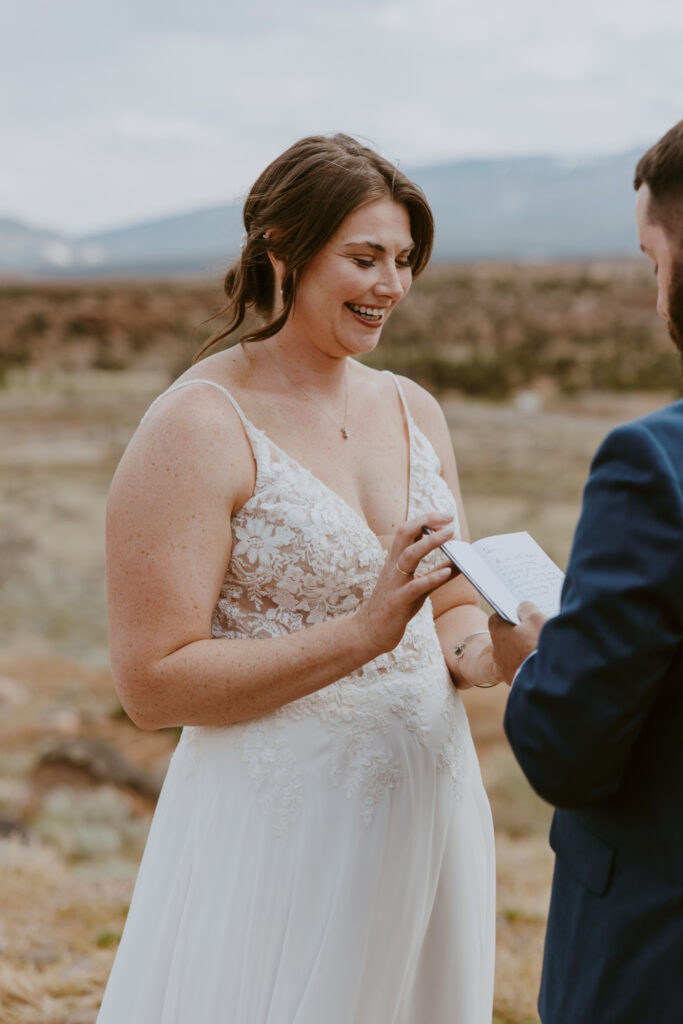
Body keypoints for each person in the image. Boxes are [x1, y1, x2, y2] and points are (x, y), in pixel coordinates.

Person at [97, 133, 500, 1024]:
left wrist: (495, 649)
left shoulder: (412, 408)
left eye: (402, 261)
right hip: (280, 832)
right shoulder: (199, 424)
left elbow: (453, 607)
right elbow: (152, 685)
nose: (389, 286)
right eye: (363, 258)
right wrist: (358, 636)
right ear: (281, 249)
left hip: (430, 810)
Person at [489, 119, 683, 1024]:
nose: (657, 301)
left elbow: (569, 743)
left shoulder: (653, 465)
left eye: (655, 262)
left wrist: (536, 657)